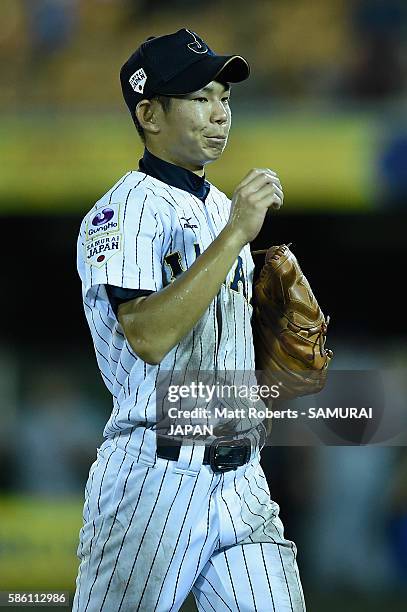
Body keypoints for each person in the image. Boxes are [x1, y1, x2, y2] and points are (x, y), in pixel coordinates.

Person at [73, 28, 305, 611]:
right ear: (150, 114)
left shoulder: (223, 208)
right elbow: (148, 336)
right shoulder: (123, 209)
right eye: (201, 98)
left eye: (225, 98)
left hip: (242, 477)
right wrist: (236, 237)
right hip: (154, 478)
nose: (220, 113)